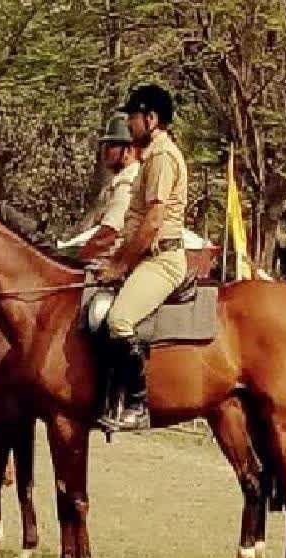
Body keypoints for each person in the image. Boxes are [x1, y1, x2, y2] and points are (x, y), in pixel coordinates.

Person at [96, 83, 189, 431]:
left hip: (162, 260)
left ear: (150, 118)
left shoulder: (163, 157)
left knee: (119, 319)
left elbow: (152, 223)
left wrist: (119, 265)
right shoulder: (151, 156)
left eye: (133, 118)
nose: (130, 125)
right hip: (144, 257)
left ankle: (138, 404)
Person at [77, 114, 140, 261]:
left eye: (112, 145)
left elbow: (109, 233)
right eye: (105, 145)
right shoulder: (117, 182)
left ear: (129, 150)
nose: (105, 151)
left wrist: (78, 258)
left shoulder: (128, 184)